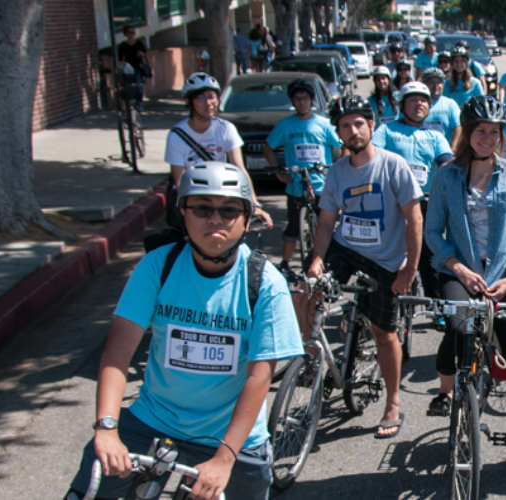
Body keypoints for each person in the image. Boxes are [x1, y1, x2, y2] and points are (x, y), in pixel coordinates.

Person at [63, 162, 302, 500]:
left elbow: (259, 377)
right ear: (183, 215)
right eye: (202, 208)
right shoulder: (158, 265)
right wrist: (106, 427)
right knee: (93, 484)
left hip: (230, 436)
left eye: (229, 210)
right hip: (154, 418)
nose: (215, 219)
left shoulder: (265, 283)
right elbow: (118, 352)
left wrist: (223, 458)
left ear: (246, 220)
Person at [423, 96, 506, 471]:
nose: (488, 138)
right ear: (467, 134)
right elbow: (433, 233)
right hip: (460, 273)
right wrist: (458, 268)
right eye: (480, 131)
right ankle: (451, 393)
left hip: (503, 278)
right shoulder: (446, 176)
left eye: (495, 131)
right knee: (457, 329)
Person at [301, 95, 423, 439]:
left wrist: (408, 271)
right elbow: (326, 223)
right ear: (337, 133)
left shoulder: (393, 165)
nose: (353, 131)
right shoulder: (338, 172)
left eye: (359, 123)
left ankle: (392, 403)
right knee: (306, 291)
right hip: (346, 249)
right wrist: (317, 259)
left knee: (384, 333)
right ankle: (310, 356)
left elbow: (414, 220)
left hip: (385, 260)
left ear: (372, 125)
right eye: (344, 126)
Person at [372, 81, 455, 304]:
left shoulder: (435, 136)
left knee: (429, 255)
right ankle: (381, 297)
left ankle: (435, 304)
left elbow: (446, 162)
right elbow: (373, 156)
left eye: (423, 100)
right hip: (392, 202)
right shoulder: (386, 130)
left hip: (425, 203)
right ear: (401, 105)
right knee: (387, 252)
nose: (419, 103)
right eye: (413, 99)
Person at [165, 73, 271, 231]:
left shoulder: (226, 128)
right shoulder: (177, 136)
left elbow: (239, 169)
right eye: (201, 98)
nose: (208, 103)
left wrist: (254, 204)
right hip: (192, 197)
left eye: (212, 97)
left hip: (220, 193)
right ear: (188, 101)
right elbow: (180, 181)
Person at [263, 78, 342, 272]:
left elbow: (340, 145)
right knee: (293, 226)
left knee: (327, 226)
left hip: (322, 185)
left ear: (312, 100)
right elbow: (268, 147)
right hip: (296, 185)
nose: (301, 102)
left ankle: (325, 260)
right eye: (297, 99)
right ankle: (285, 263)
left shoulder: (324, 124)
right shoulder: (285, 125)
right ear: (292, 101)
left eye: (305, 98)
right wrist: (278, 173)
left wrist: (338, 169)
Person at [419, 68, 463, 148]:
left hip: (444, 153)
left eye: (439, 82)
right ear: (424, 84)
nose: (435, 85)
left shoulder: (450, 104)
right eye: (431, 82)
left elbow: (458, 128)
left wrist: (452, 149)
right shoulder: (418, 104)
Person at [116, 24, 148, 111]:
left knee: (139, 85)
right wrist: (120, 68)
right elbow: (120, 59)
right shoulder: (123, 45)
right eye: (129, 32)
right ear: (125, 33)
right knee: (130, 85)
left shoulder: (139, 43)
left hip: (138, 67)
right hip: (128, 68)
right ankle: (131, 101)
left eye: (133, 32)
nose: (131, 34)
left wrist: (142, 54)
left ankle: (139, 102)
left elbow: (144, 54)